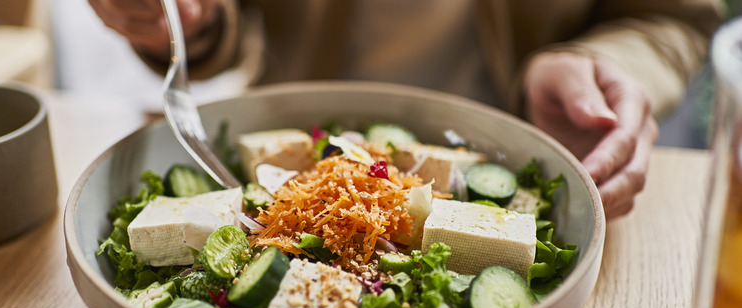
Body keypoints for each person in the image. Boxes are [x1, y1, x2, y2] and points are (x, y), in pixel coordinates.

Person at [88, 0, 724, 219]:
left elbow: (670, 16)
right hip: (292, 119)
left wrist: (599, 64)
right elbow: (222, 15)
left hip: (526, 132)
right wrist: (183, 22)